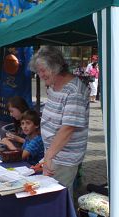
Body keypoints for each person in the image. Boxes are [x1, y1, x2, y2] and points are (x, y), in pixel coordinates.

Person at [29, 46, 90, 197]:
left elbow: (68, 128)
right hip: (53, 154)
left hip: (64, 157)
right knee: (51, 195)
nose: (40, 75)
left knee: (57, 197)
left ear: (56, 67)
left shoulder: (74, 91)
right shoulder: (54, 86)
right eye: (38, 71)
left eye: (43, 70)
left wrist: (49, 155)